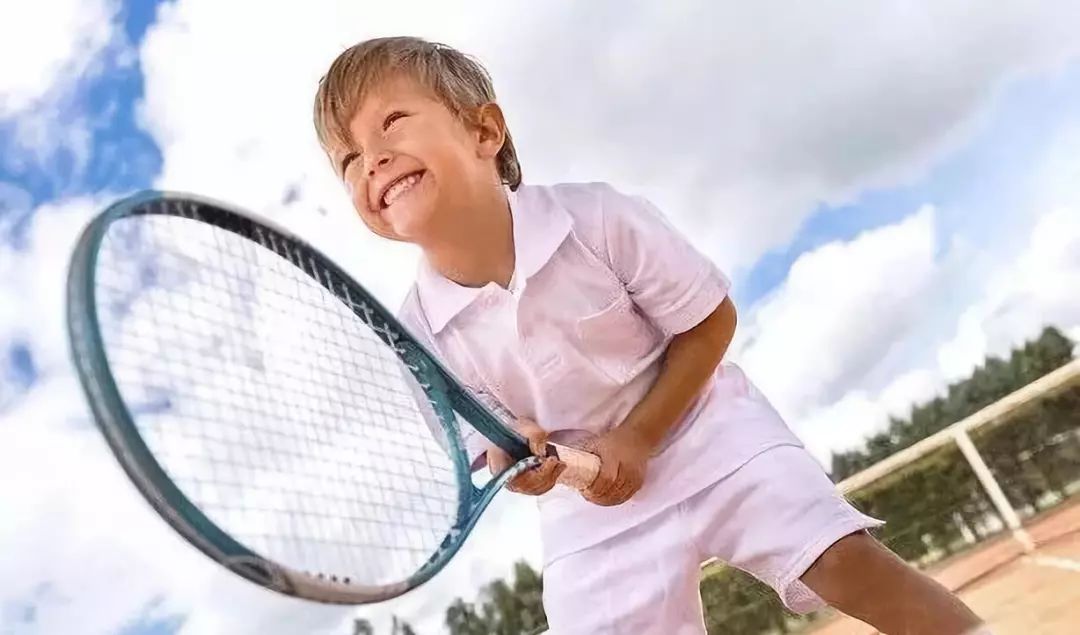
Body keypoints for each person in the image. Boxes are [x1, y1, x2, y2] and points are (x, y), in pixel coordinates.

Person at [312, 35, 989, 635]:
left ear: (485, 132)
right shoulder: (418, 336)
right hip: (592, 510)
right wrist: (523, 461)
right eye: (347, 159)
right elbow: (489, 448)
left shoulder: (600, 217)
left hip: (710, 431)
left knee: (842, 559)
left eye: (392, 122)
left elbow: (711, 321)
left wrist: (638, 437)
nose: (371, 159)